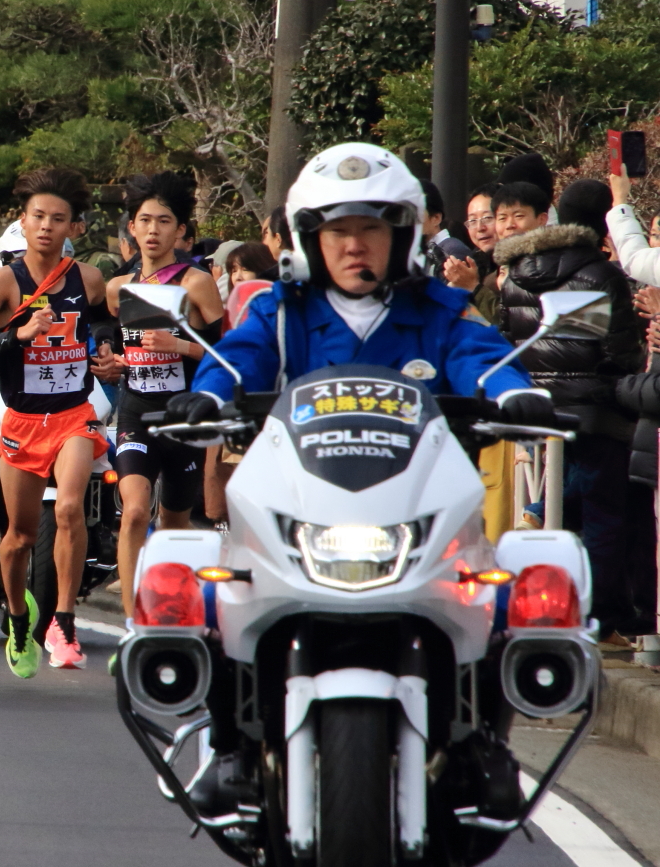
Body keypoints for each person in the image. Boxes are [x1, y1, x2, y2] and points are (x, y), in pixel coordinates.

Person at [164, 142, 549, 818]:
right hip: (301, 502)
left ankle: (485, 743)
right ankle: (229, 747)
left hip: (416, 504)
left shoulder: (439, 309)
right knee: (210, 589)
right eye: (337, 230)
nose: (354, 245)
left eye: (371, 227)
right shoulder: (280, 311)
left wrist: (513, 392)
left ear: (401, 235)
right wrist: (208, 394)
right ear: (309, 239)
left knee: (504, 594)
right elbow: (237, 359)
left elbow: (480, 356)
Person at [0, 167, 118, 677]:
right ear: (23, 223)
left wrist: (106, 350)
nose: (47, 226)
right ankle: (19, 617)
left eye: (58, 218)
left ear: (72, 227)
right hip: (23, 420)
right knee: (19, 538)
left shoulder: (87, 277)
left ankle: (64, 622)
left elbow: (104, 321)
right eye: (39, 217)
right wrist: (19, 336)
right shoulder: (4, 281)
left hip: (74, 414)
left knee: (70, 508)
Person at [493, 184, 649, 641]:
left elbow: (507, 339)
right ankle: (596, 614)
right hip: (595, 410)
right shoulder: (601, 273)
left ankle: (539, 599)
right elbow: (619, 351)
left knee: (557, 499)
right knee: (604, 515)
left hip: (536, 410)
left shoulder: (516, 273)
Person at [104, 172, 223, 622]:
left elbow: (225, 352)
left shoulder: (195, 283)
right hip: (135, 412)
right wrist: (112, 359)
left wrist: (180, 346)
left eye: (164, 221)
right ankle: (132, 620)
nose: (153, 230)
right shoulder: (118, 288)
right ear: (132, 228)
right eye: (145, 220)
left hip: (183, 418)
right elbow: (118, 340)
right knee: (135, 511)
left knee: (173, 524)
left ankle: (167, 614)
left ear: (180, 231)